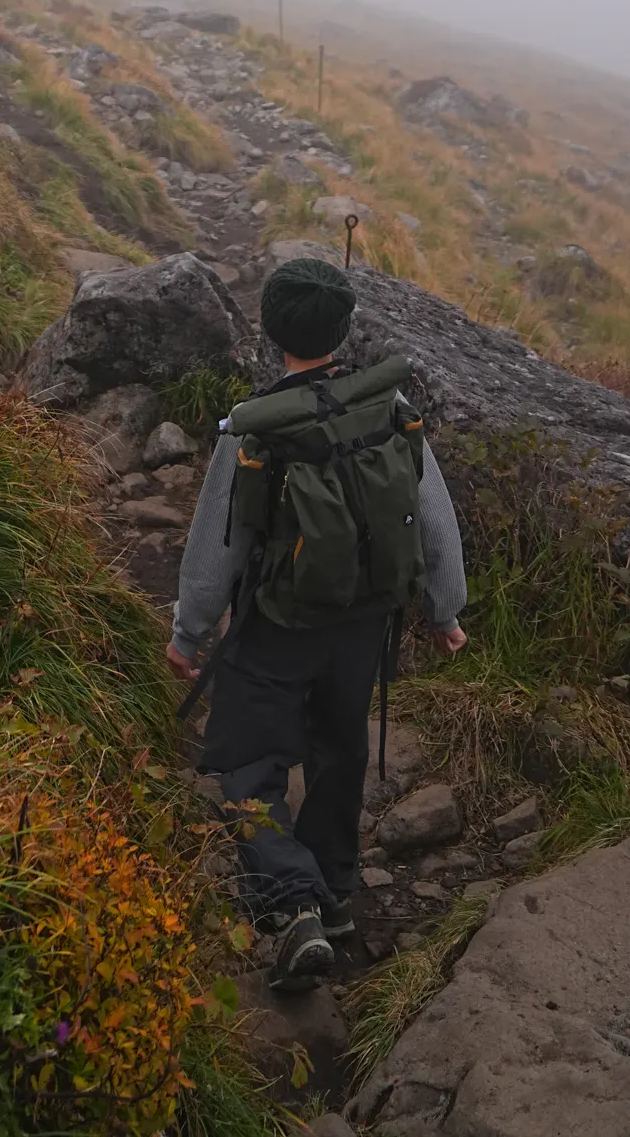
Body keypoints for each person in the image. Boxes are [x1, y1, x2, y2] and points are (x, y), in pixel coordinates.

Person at [167, 255, 469, 989]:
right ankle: (333, 887)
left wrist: (187, 631)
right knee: (340, 749)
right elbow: (433, 520)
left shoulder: (255, 427)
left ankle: (292, 898)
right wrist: (444, 613)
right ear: (345, 327)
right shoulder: (390, 409)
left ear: (271, 330)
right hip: (364, 624)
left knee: (245, 760)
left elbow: (221, 544)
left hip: (276, 623)